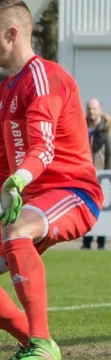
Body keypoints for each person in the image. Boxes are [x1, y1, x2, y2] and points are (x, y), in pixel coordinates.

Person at [0, 0, 103, 360]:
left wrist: (19, 180)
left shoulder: (46, 77)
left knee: (16, 227)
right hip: (27, 201)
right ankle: (31, 341)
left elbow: (43, 150)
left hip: (72, 193)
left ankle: (42, 343)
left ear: (11, 34)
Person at [82, 98, 110, 250]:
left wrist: (107, 174)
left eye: (93, 109)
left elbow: (109, 155)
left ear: (100, 110)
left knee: (101, 211)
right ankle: (86, 242)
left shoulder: (107, 130)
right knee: (85, 210)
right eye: (89, 109)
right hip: (84, 177)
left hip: (101, 177)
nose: (91, 112)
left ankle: (101, 242)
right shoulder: (81, 127)